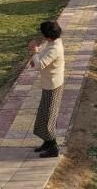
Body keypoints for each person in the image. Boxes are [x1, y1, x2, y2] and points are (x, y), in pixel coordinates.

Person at [28, 20, 65, 158]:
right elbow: (42, 58)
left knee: (49, 117)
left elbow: (40, 65)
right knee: (43, 114)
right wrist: (35, 57)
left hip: (53, 86)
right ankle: (47, 142)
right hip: (48, 84)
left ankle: (53, 148)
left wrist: (34, 51)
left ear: (48, 36)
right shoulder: (53, 43)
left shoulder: (55, 48)